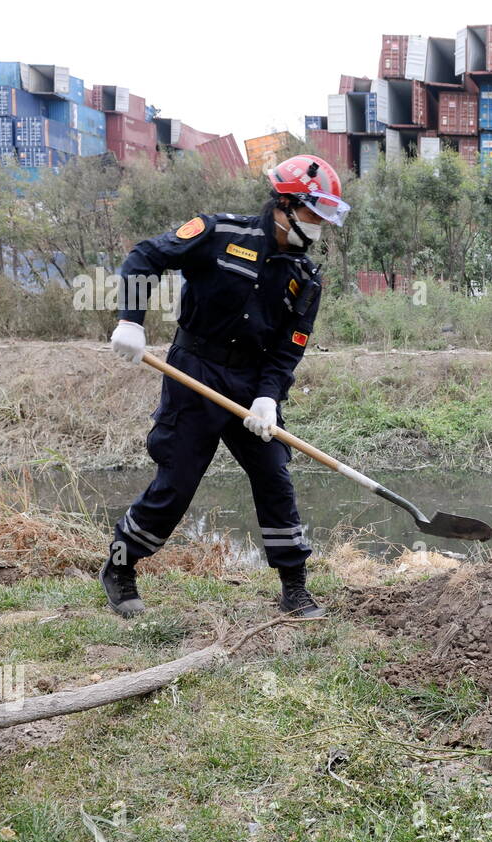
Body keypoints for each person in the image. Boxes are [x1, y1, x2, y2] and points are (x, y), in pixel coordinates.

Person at [99, 155, 350, 618]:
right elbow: (144, 257)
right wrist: (130, 321)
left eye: (326, 216)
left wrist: (268, 397)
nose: (320, 225)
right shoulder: (218, 233)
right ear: (286, 204)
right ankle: (120, 566)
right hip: (195, 371)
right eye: (315, 213)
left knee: (274, 476)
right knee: (177, 483)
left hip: (252, 383)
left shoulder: (304, 278)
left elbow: (288, 349)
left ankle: (294, 586)